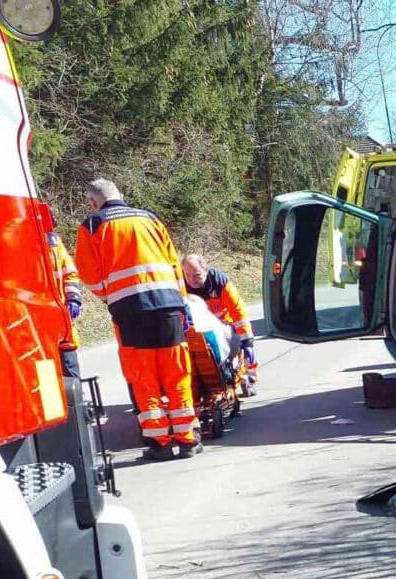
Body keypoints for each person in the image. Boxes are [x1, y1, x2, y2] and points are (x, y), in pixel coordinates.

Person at [74, 178, 199, 460]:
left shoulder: (93, 226)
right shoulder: (149, 218)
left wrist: (109, 295)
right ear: (121, 194)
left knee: (144, 378)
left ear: (94, 202)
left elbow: (89, 274)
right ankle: (188, 440)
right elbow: (173, 263)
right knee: (176, 373)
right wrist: (182, 303)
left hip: (129, 311)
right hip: (168, 306)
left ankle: (161, 444)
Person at [182, 254, 257, 390]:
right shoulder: (181, 287)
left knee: (240, 349)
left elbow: (238, 311)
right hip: (198, 332)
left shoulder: (220, 283)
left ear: (206, 269)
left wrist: (246, 341)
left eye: (197, 275)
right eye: (187, 275)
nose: (191, 280)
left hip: (225, 328)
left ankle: (247, 376)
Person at [46, 222, 84, 379]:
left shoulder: (53, 241)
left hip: (60, 314)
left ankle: (75, 397)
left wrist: (73, 298)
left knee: (68, 353)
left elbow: (69, 272)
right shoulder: (11, 241)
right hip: (34, 321)